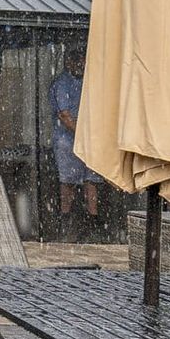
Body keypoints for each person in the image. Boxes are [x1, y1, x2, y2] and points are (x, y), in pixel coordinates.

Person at [49, 48, 101, 217]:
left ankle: (92, 218)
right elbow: (65, 116)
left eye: (82, 59)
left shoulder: (90, 81)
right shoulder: (62, 84)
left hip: (89, 140)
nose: (80, 63)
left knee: (91, 179)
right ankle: (66, 217)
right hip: (68, 141)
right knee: (68, 181)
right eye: (76, 59)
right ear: (67, 61)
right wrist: (84, 135)